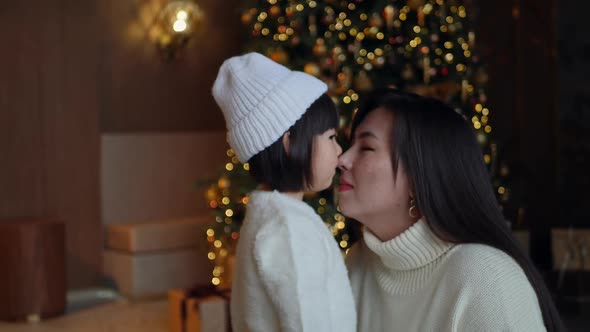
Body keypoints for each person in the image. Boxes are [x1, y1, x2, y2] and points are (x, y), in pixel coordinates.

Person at [338, 88, 563, 331]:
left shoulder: (485, 276)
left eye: (366, 148)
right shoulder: (358, 262)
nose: (342, 159)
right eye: (351, 144)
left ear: (418, 177)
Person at [212, 52, 356, 332]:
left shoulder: (270, 218)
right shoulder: (289, 229)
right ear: (289, 142)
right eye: (330, 137)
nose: (339, 152)